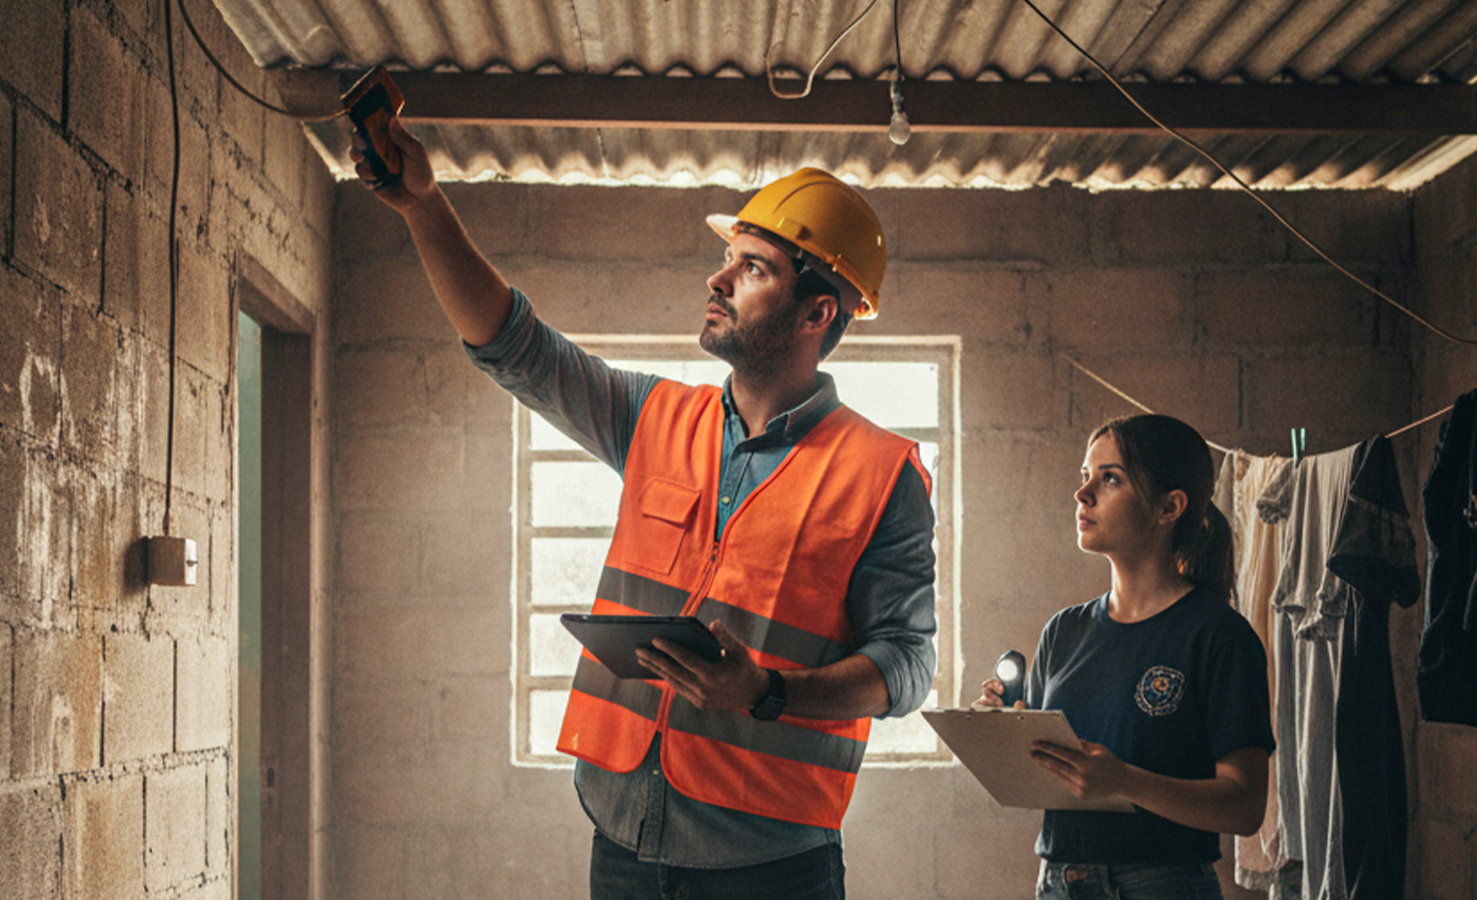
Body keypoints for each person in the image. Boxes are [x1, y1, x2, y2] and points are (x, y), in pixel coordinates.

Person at [352, 121, 937, 899]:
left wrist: (766, 692)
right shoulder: (655, 417)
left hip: (770, 867)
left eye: (753, 268)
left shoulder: (882, 473)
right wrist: (423, 206)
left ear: (815, 315)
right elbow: (515, 347)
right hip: (624, 840)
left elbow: (907, 664)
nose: (718, 280)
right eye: (728, 259)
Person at [977, 414, 1275, 900]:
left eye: (1110, 478)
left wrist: (1123, 781)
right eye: (1085, 476)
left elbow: (1244, 807)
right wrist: (1002, 732)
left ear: (1169, 507)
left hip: (1162, 886)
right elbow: (1052, 775)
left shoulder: (1219, 636)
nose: (1083, 493)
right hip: (1058, 881)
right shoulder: (1063, 631)